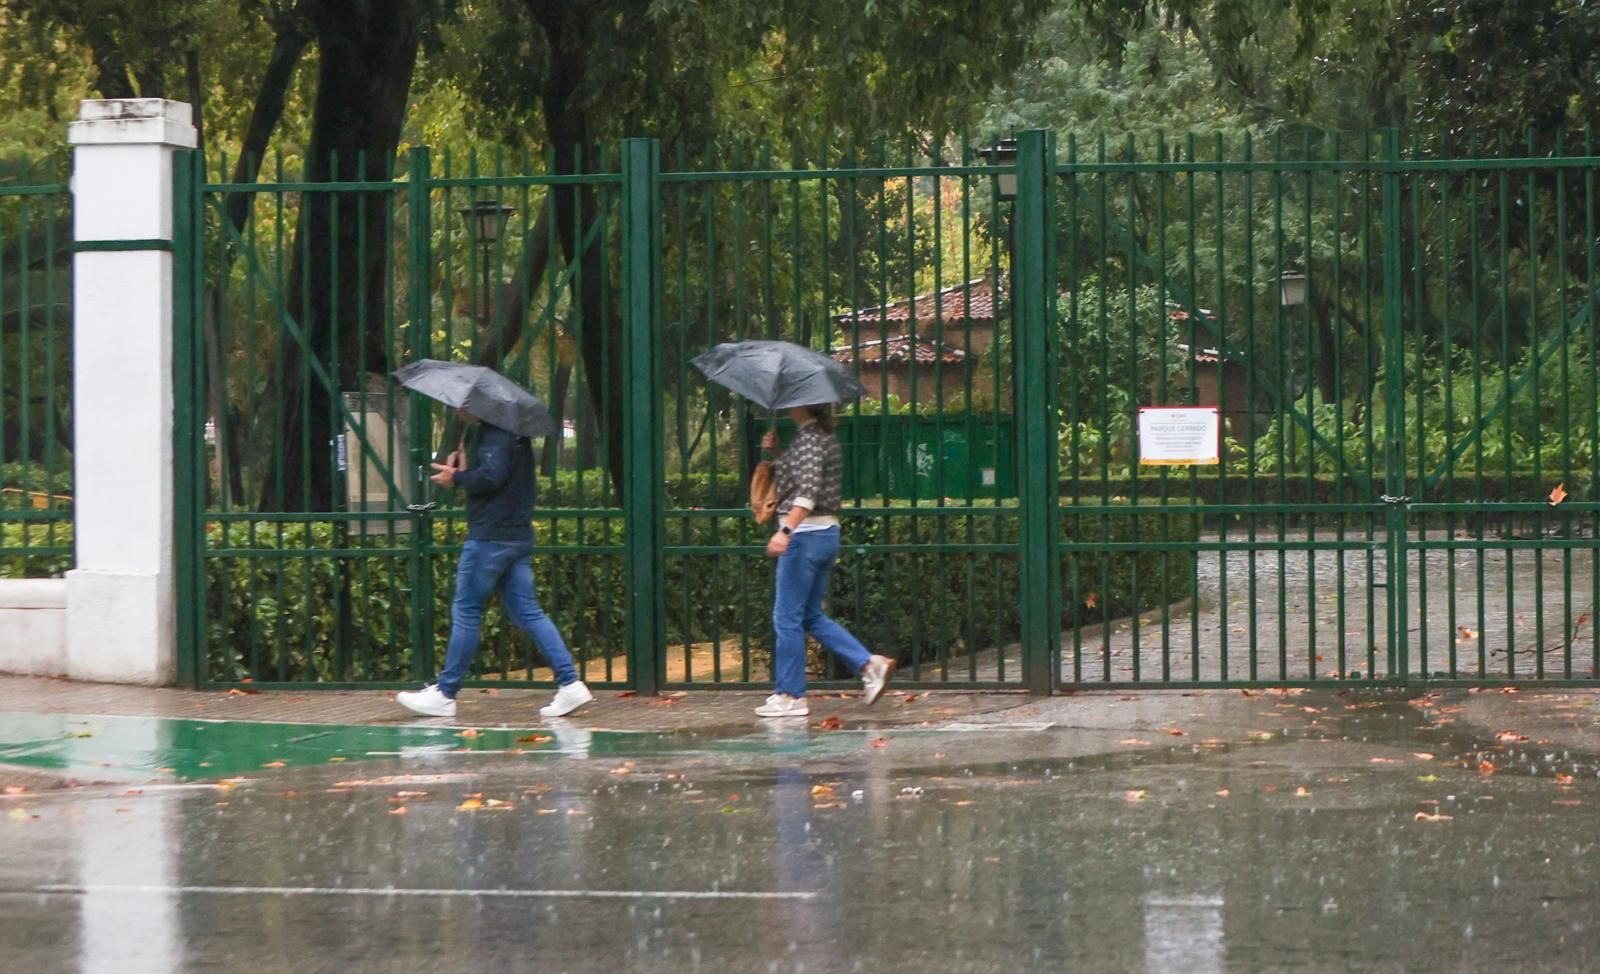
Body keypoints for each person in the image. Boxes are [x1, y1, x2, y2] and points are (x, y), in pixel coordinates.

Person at [397, 410, 593, 719]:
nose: (457, 409)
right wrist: (465, 470)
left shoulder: (494, 435)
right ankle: (570, 683)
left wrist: (457, 477)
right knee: (528, 612)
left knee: (467, 610)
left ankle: (445, 693)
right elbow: (500, 478)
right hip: (516, 537)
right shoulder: (513, 434)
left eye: (462, 404)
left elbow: (491, 477)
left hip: (490, 539)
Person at [757, 403, 894, 717]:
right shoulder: (821, 437)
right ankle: (869, 664)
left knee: (786, 617)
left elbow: (808, 492)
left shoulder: (809, 439)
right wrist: (778, 453)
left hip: (804, 536)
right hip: (825, 534)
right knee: (810, 615)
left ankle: (790, 695)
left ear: (802, 404)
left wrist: (785, 531)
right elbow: (804, 478)